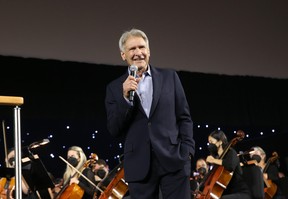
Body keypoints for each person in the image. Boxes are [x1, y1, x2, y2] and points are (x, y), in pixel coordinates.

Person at [105, 28, 195, 199]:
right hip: (139, 165)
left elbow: (184, 117)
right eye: (132, 49)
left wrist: (188, 152)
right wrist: (125, 98)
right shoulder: (115, 88)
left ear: (149, 51)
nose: (138, 53)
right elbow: (114, 129)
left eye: (142, 47)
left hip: (174, 160)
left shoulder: (170, 77)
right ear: (123, 55)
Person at [198, 130, 251, 199]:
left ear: (220, 142)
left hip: (239, 192)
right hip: (227, 192)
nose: (210, 144)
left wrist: (213, 160)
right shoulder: (217, 157)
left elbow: (230, 166)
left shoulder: (231, 152)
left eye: (211, 142)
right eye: (209, 142)